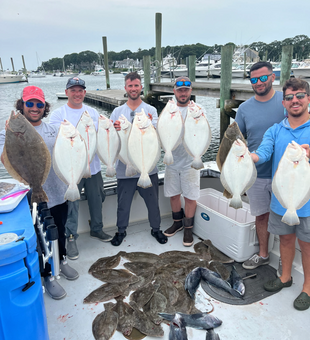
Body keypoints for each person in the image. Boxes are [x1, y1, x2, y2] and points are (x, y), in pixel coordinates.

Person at [0, 85, 79, 300]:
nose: (34, 108)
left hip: (58, 191)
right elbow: (4, 157)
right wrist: (10, 135)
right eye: (30, 103)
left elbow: (68, 150)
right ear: (22, 105)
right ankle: (48, 276)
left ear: (44, 107)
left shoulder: (53, 129)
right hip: (32, 195)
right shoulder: (7, 131)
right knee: (41, 238)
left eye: (39, 104)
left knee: (60, 230)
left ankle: (61, 261)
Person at [251, 78, 310, 311]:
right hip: (282, 200)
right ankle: (286, 277)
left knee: (307, 245)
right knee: (285, 239)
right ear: (283, 103)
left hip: (306, 202)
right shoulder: (275, 129)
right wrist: (250, 157)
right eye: (289, 97)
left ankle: (307, 288)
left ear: (308, 98)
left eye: (300, 95)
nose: (294, 100)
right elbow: (264, 152)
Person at [49, 77, 112, 260]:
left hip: (93, 168)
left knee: (97, 198)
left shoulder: (92, 112)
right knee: (72, 204)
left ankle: (97, 229)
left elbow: (104, 133)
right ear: (67, 92)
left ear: (85, 93)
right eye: (73, 90)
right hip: (71, 169)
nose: (77, 94)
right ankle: (71, 237)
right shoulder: (58, 114)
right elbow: (55, 140)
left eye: (80, 90)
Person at [235, 61, 285, 272]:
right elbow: (235, 139)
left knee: (286, 218)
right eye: (254, 79)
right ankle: (263, 254)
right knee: (261, 216)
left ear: (273, 77)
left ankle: (285, 260)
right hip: (256, 174)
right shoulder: (244, 109)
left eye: (263, 78)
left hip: (284, 174)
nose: (259, 83)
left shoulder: (287, 100)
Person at [110, 72, 167, 246]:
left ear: (141, 87)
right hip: (124, 167)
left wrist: (152, 125)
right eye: (130, 85)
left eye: (136, 85)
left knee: (153, 202)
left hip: (147, 165)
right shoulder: (117, 112)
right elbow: (110, 138)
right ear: (125, 88)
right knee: (123, 204)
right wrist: (113, 129)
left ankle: (156, 229)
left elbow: (158, 134)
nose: (133, 89)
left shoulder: (150, 110)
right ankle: (121, 230)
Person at [162, 76, 202, 247]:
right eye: (180, 90)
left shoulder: (198, 109)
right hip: (172, 160)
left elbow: (203, 132)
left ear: (190, 91)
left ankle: (188, 228)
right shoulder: (168, 110)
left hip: (190, 161)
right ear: (174, 91)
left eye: (186, 90)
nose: (183, 93)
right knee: (173, 194)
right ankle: (177, 222)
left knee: (190, 196)